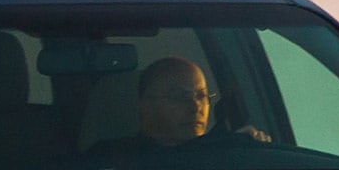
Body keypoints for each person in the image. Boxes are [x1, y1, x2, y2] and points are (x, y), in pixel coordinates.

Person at [97, 57, 271, 154]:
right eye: (179, 97)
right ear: (144, 106)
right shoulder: (110, 160)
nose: (196, 107)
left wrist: (248, 148)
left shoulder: (225, 155)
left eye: (201, 96)